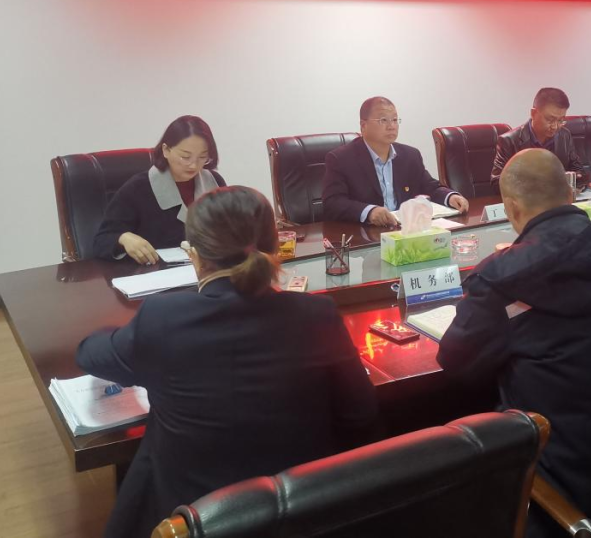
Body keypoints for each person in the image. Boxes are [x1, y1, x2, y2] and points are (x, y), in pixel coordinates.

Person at [77, 186, 380, 538]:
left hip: (196, 518)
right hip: (302, 512)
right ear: (274, 247)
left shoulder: (162, 318)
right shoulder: (318, 315)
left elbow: (90, 354)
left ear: (195, 256)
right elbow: (361, 415)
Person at [437, 149, 591, 537]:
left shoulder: (502, 277)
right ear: (570, 195)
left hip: (552, 483)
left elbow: (456, 361)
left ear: (511, 208)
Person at [92, 115, 225, 264]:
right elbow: (101, 241)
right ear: (166, 150)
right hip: (155, 272)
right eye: (185, 157)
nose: (194, 165)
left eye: (202, 157)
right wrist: (123, 238)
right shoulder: (138, 189)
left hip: (207, 270)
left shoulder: (214, 183)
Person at [322, 96, 468, 226]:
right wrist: (369, 212)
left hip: (403, 232)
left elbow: (430, 187)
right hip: (364, 236)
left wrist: (450, 197)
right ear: (363, 126)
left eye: (394, 120)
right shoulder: (341, 159)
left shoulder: (410, 155)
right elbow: (333, 203)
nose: (391, 126)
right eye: (383, 120)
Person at [491, 87, 587, 193]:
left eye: (561, 120)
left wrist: (576, 180)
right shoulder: (509, 141)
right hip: (527, 201)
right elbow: (497, 183)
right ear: (533, 113)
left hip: (558, 199)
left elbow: (578, 170)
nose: (555, 126)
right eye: (550, 120)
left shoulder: (564, 135)